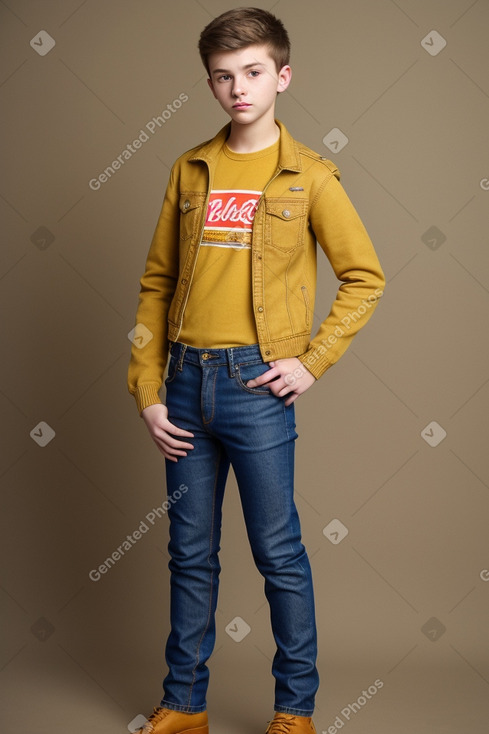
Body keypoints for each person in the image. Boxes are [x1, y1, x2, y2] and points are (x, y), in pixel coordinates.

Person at [127, 7, 385, 734]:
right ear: (209, 83)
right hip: (181, 383)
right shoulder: (190, 168)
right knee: (189, 554)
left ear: (281, 76)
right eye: (222, 77)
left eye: (252, 73)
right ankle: (184, 704)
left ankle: (294, 711)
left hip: (255, 387)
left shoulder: (310, 176)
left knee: (278, 553)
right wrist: (147, 390)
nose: (237, 89)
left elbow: (364, 277)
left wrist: (311, 363)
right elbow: (154, 284)